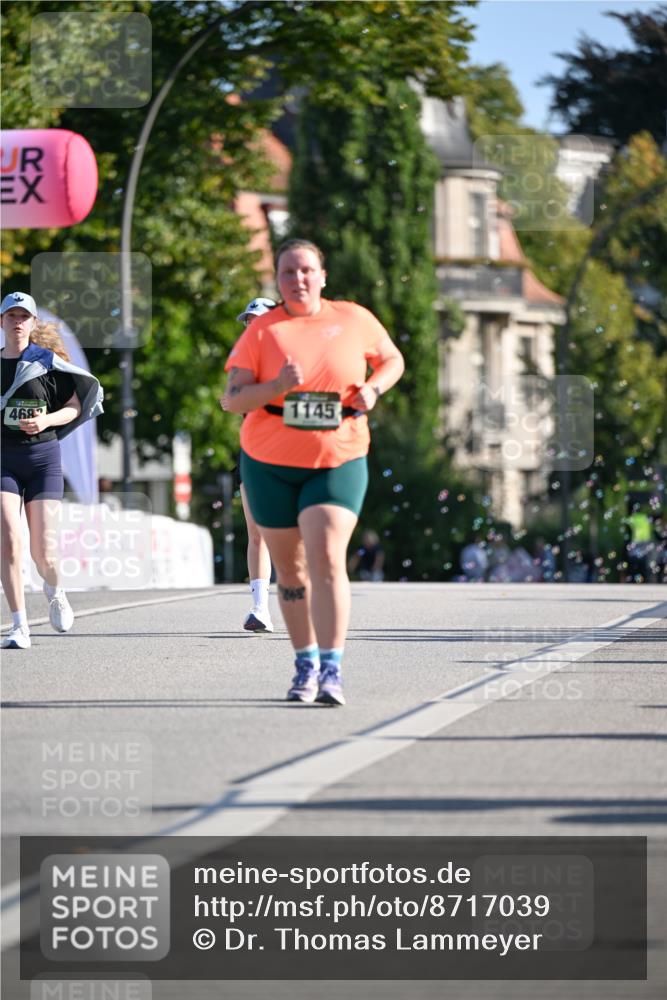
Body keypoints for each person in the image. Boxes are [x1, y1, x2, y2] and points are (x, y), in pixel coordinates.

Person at [223, 239, 404, 705]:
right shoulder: (262, 331)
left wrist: (374, 388)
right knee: (291, 570)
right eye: (287, 272)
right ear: (277, 280)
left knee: (325, 554)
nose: (298, 279)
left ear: (322, 275)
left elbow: (392, 359)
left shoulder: (353, 319)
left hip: (337, 455)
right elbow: (233, 399)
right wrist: (276, 386)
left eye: (306, 270)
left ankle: (332, 670)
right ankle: (304, 663)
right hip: (269, 462)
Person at [1, 292, 103, 649]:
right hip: (3, 460)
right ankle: (19, 625)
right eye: (10, 315)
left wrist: (45, 419)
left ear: (32, 324)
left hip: (43, 459)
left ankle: (55, 589)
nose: (17, 322)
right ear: (1, 322)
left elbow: (74, 407)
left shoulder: (46, 362)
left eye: (23, 316)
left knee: (43, 550)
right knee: (10, 542)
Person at [224, 297, 277, 632]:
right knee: (256, 531)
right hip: (253, 450)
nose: (252, 327)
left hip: (288, 452)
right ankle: (260, 608)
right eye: (248, 322)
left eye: (258, 320)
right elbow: (232, 399)